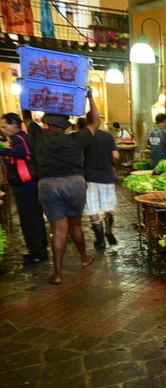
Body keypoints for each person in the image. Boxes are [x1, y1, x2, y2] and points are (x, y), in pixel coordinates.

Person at [22, 90, 99, 285]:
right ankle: (84, 258)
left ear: (47, 123)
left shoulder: (39, 136)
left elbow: (26, 117)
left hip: (47, 185)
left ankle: (57, 274)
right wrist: (90, 97)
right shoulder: (76, 138)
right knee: (75, 225)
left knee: (58, 230)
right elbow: (94, 122)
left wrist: (29, 91)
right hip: (74, 184)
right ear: (66, 125)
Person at [0, 113, 48, 265]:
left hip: (27, 187)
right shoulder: (19, 138)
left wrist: (3, 151)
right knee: (30, 220)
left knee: (31, 220)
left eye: (3, 126)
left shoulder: (19, 138)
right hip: (26, 187)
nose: (2, 129)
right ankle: (35, 251)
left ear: (14, 124)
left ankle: (38, 254)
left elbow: (22, 153)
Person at [83, 113, 120, 249]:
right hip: (106, 176)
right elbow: (115, 155)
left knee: (92, 207)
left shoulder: (82, 136)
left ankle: (100, 240)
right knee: (108, 205)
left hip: (89, 177)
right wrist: (113, 165)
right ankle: (109, 231)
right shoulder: (107, 136)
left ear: (87, 121)